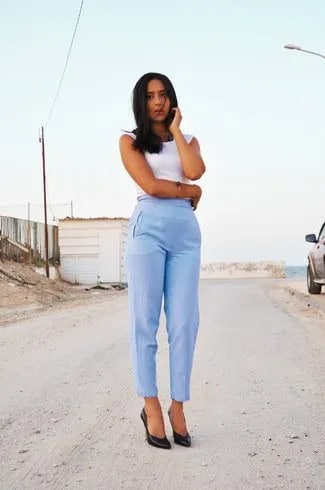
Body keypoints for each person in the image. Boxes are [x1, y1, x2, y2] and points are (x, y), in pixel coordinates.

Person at [119, 72, 205, 449]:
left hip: (185, 234)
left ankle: (178, 407)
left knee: (185, 323)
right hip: (148, 230)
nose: (158, 101)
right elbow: (152, 186)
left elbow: (195, 168)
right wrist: (190, 191)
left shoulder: (189, 140)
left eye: (164, 94)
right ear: (141, 101)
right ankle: (151, 406)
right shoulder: (130, 142)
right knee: (145, 321)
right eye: (151, 95)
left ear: (172, 99)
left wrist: (178, 129)